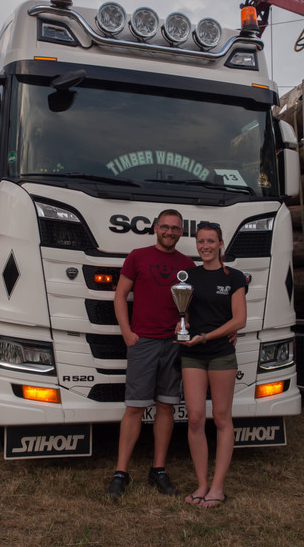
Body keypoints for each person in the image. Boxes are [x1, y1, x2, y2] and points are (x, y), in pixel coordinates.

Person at [107, 208, 193, 499]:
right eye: (165, 227)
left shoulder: (187, 264)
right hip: (143, 343)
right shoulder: (137, 256)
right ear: (156, 227)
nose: (170, 232)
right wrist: (127, 332)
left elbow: (192, 304)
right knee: (134, 407)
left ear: (181, 232)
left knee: (167, 406)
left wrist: (187, 325)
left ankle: (158, 470)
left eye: (175, 228)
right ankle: (121, 472)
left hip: (173, 345)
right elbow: (119, 295)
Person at [178, 221, 247, 508]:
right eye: (201, 241)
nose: (205, 246)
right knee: (194, 418)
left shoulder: (234, 277)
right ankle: (202, 484)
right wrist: (182, 327)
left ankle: (218, 487)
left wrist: (206, 336)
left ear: (221, 244)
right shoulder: (188, 276)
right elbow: (185, 314)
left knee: (221, 418)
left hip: (220, 353)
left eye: (211, 241)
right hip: (192, 354)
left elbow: (239, 320)